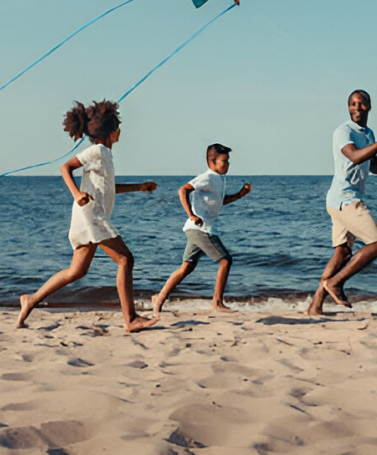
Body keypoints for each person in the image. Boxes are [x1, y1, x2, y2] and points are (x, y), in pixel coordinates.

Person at [17, 100, 158, 332]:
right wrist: (77, 193)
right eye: (117, 127)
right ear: (112, 132)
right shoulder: (99, 150)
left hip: (88, 216)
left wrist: (139, 187)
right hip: (90, 216)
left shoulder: (105, 155)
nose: (120, 131)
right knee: (125, 259)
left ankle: (30, 300)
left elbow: (109, 188)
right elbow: (65, 167)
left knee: (77, 271)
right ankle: (131, 318)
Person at [306, 89, 377, 316]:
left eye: (361, 103)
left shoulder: (367, 133)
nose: (357, 107)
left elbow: (372, 165)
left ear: (369, 107)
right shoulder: (343, 131)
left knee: (343, 253)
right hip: (344, 199)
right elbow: (355, 156)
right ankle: (336, 283)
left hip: (340, 199)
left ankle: (315, 305)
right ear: (348, 107)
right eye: (352, 104)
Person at [152, 143, 251, 316]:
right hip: (201, 228)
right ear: (212, 162)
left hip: (198, 228)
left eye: (228, 161)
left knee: (186, 267)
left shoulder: (219, 179)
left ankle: (159, 298)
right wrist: (192, 215)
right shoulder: (208, 177)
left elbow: (220, 202)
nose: (227, 164)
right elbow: (183, 190)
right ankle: (217, 302)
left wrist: (240, 194)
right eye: (224, 161)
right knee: (225, 260)